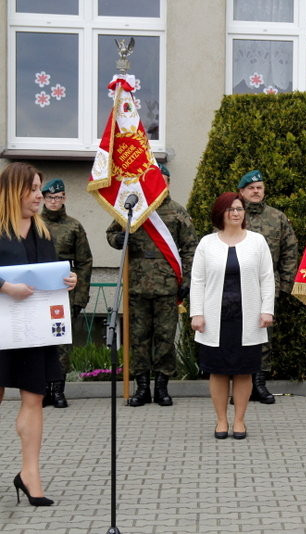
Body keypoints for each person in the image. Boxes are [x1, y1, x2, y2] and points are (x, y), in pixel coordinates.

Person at [0, 162, 77, 506]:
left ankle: (30, 475)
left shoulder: (43, 232)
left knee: (34, 397)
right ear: (13, 190)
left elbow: (48, 275)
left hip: (32, 332)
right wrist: (5, 286)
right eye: (32, 189)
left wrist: (68, 280)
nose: (39, 196)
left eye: (39, 189)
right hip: (1, 329)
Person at [106, 164, 197, 407]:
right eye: (156, 179)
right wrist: (120, 238)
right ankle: (142, 388)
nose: (159, 183)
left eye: (163, 180)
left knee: (165, 338)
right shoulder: (133, 208)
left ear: (168, 183)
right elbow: (111, 234)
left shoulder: (177, 212)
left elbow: (190, 248)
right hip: (137, 286)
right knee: (139, 338)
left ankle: (162, 388)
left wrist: (187, 281)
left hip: (167, 287)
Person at [190, 192, 275, 439]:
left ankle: (239, 420)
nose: (236, 213)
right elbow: (197, 280)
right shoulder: (207, 243)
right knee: (217, 371)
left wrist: (267, 309)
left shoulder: (257, 242)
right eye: (230, 209)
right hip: (215, 319)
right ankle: (221, 421)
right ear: (221, 213)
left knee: (244, 371)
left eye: (239, 209)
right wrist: (196, 313)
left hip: (247, 319)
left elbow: (267, 278)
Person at [237, 170, 297, 404]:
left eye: (259, 188)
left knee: (264, 336)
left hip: (267, 286)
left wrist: (285, 284)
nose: (255, 191)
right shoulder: (233, 215)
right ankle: (241, 386)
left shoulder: (277, 217)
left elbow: (289, 251)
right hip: (237, 287)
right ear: (242, 192)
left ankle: (259, 384)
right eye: (251, 188)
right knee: (238, 336)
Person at [40, 178, 93, 408]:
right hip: (38, 292)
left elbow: (84, 262)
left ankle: (58, 390)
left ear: (64, 199)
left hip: (64, 293)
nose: (54, 201)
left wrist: (80, 297)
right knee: (40, 342)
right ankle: (42, 389)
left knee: (61, 341)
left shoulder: (74, 226)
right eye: (50, 197)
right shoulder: (33, 224)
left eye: (58, 197)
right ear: (43, 198)